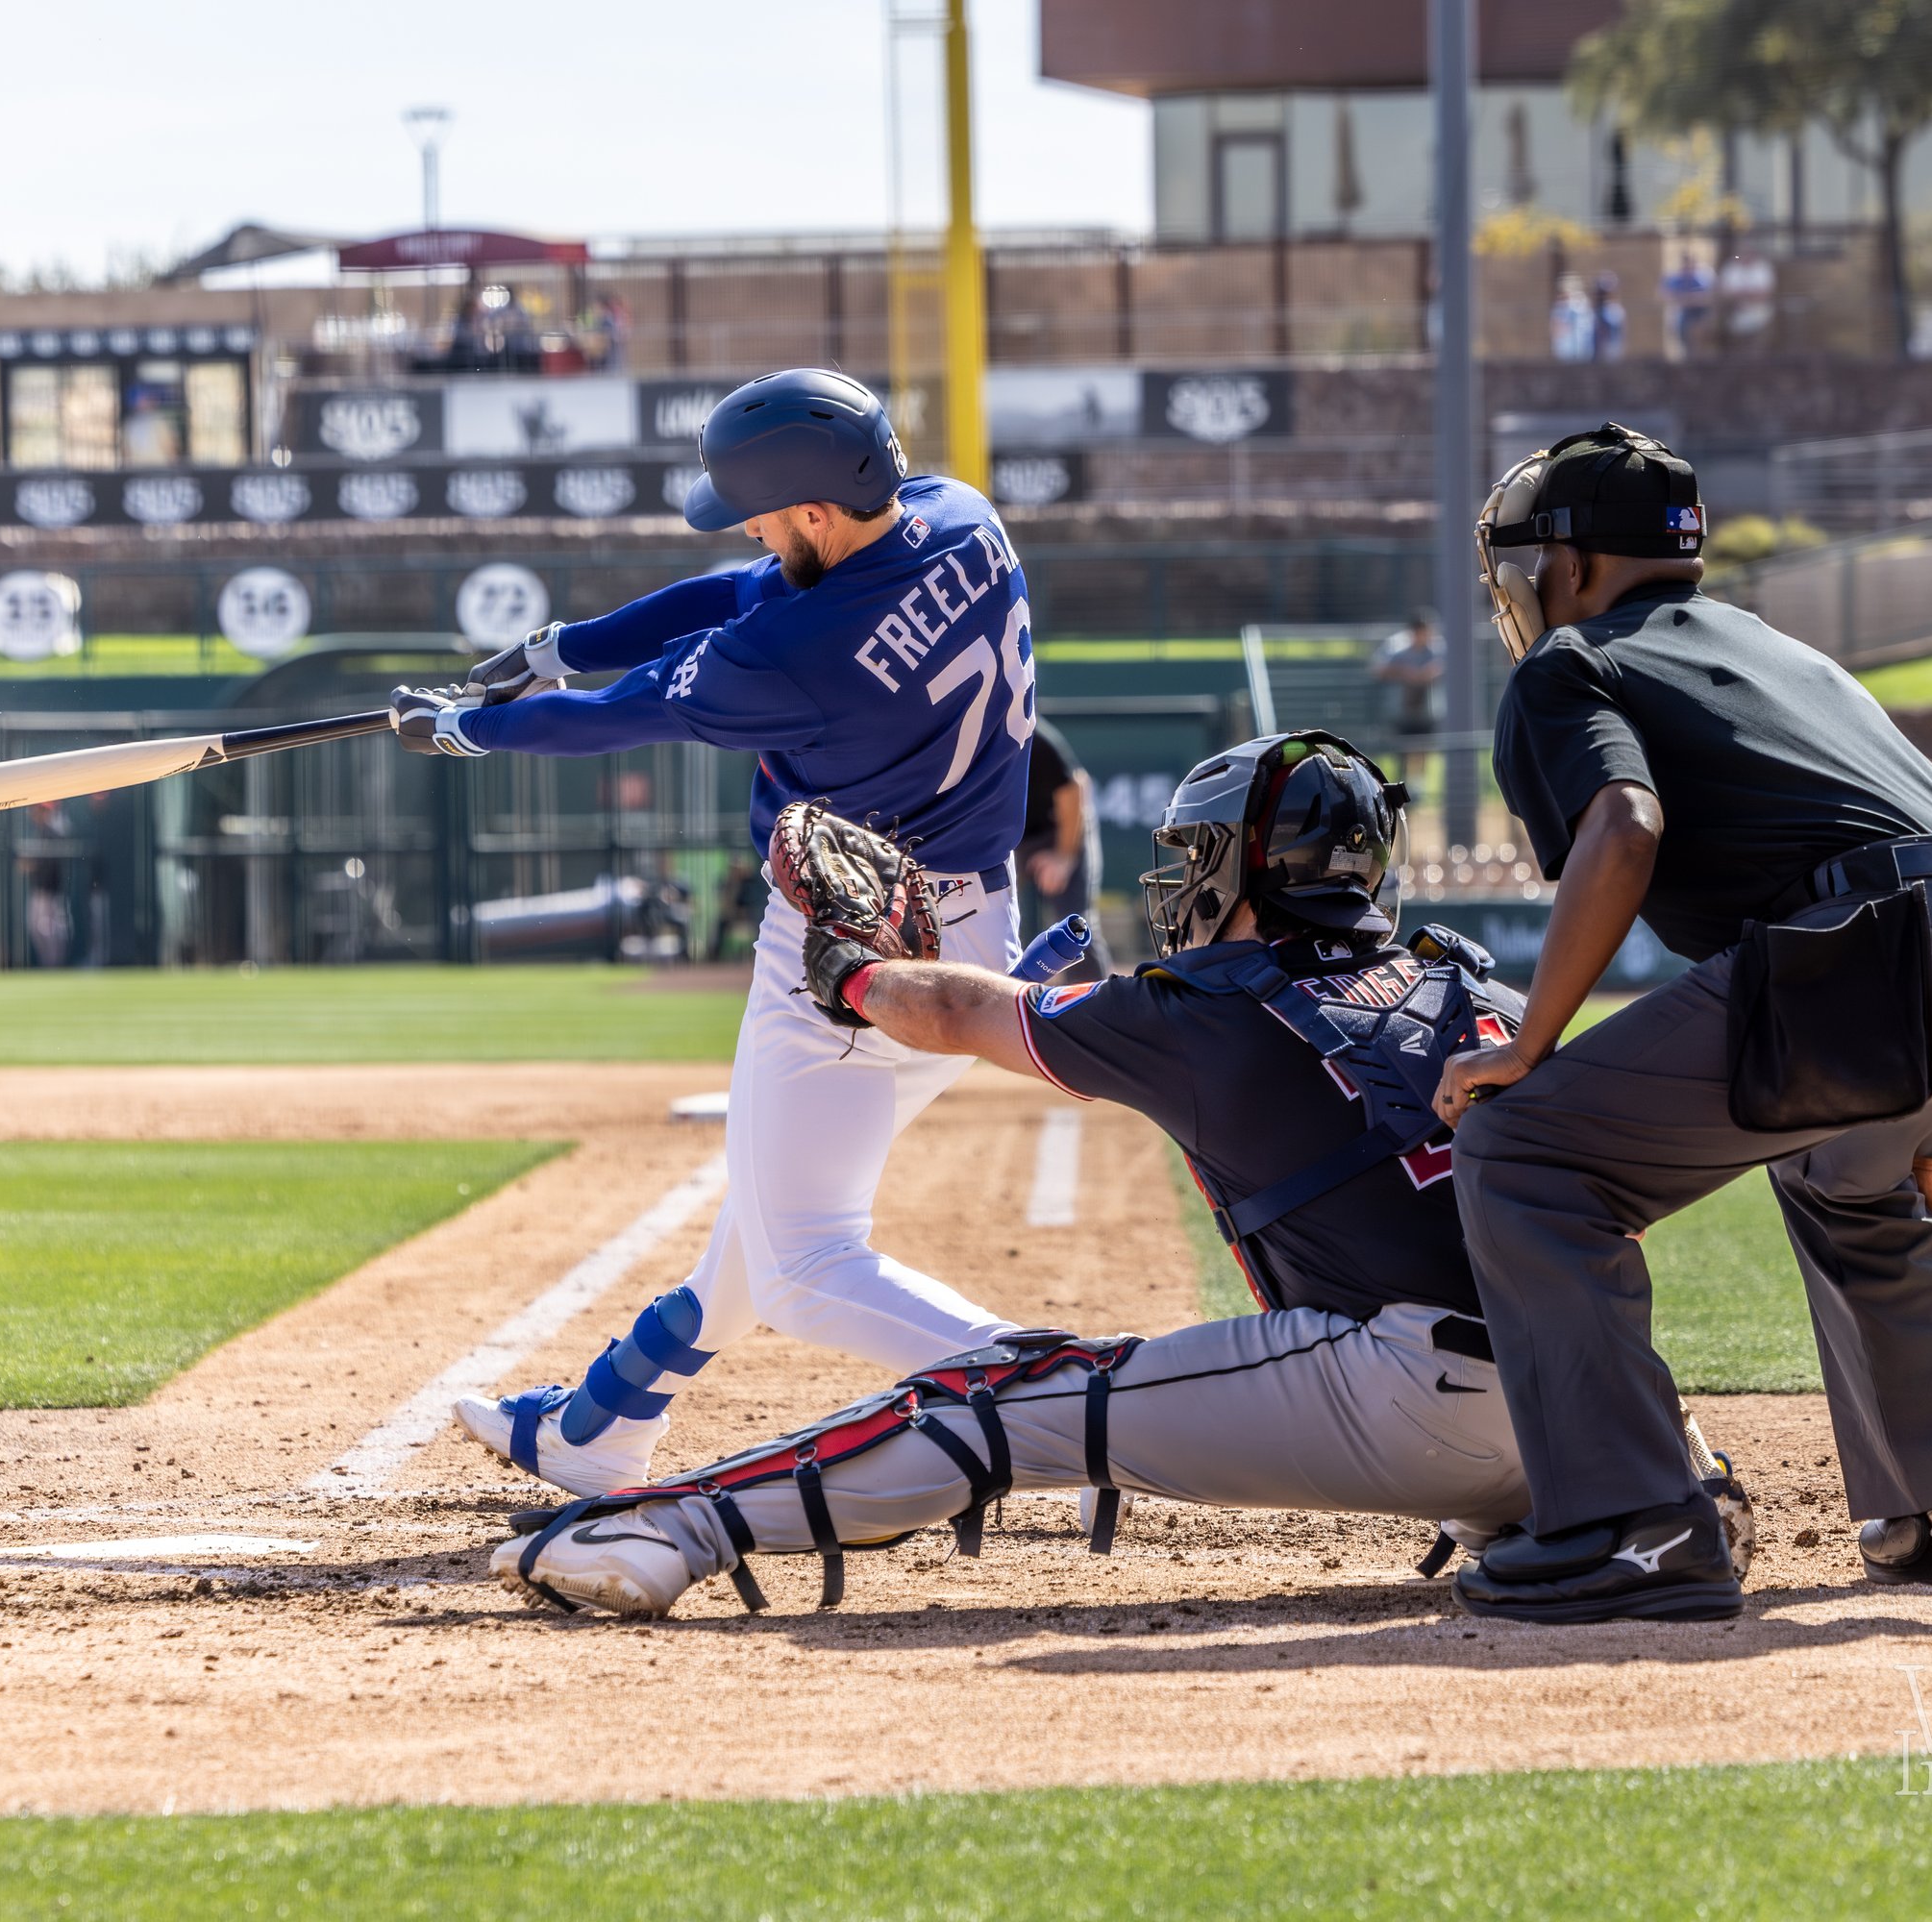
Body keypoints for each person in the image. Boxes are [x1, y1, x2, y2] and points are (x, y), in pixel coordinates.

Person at [485, 731, 1752, 1618]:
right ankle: (1645, 1504)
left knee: (1005, 1395)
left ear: (1249, 865)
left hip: (1402, 1394)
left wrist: (848, 974)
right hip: (1596, 1418)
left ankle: (668, 1527)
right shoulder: (1484, 992)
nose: (1184, 880)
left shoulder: (1206, 1005)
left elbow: (962, 1010)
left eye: (1201, 854)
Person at [1438, 423, 1932, 1623]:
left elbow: (1622, 827)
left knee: (1522, 1149)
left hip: (1888, 962)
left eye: (1530, 563)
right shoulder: (1779, 649)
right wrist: (1917, 1112)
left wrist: (1529, 1045)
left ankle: (1634, 1524)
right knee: (1843, 1168)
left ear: (1572, 565)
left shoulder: (1571, 662)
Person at [387, 369, 1041, 1496]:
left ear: (817, 510)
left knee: (801, 1262)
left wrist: (467, 731)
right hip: (975, 936)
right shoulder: (957, 513)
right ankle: (601, 1424)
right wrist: (560, 644)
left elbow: (618, 714)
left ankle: (1065, 1390)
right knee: (770, 1210)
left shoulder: (794, 654)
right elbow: (742, 588)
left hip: (851, 953)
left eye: (763, 510)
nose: (747, 526)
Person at [1018, 716, 1105, 979]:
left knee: (1075, 925)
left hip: (1060, 828)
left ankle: (1093, 998)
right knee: (991, 914)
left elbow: (1074, 788)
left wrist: (1064, 856)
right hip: (1013, 836)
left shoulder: (1031, 733)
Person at [1368, 606, 1444, 798]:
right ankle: (1398, 789)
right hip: (1401, 711)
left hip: (1426, 710)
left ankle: (1417, 790)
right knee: (1400, 752)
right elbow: (1377, 669)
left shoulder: (1438, 646)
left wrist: (1428, 673)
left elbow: (1447, 665)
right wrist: (1405, 672)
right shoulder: (1396, 646)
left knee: (1422, 749)